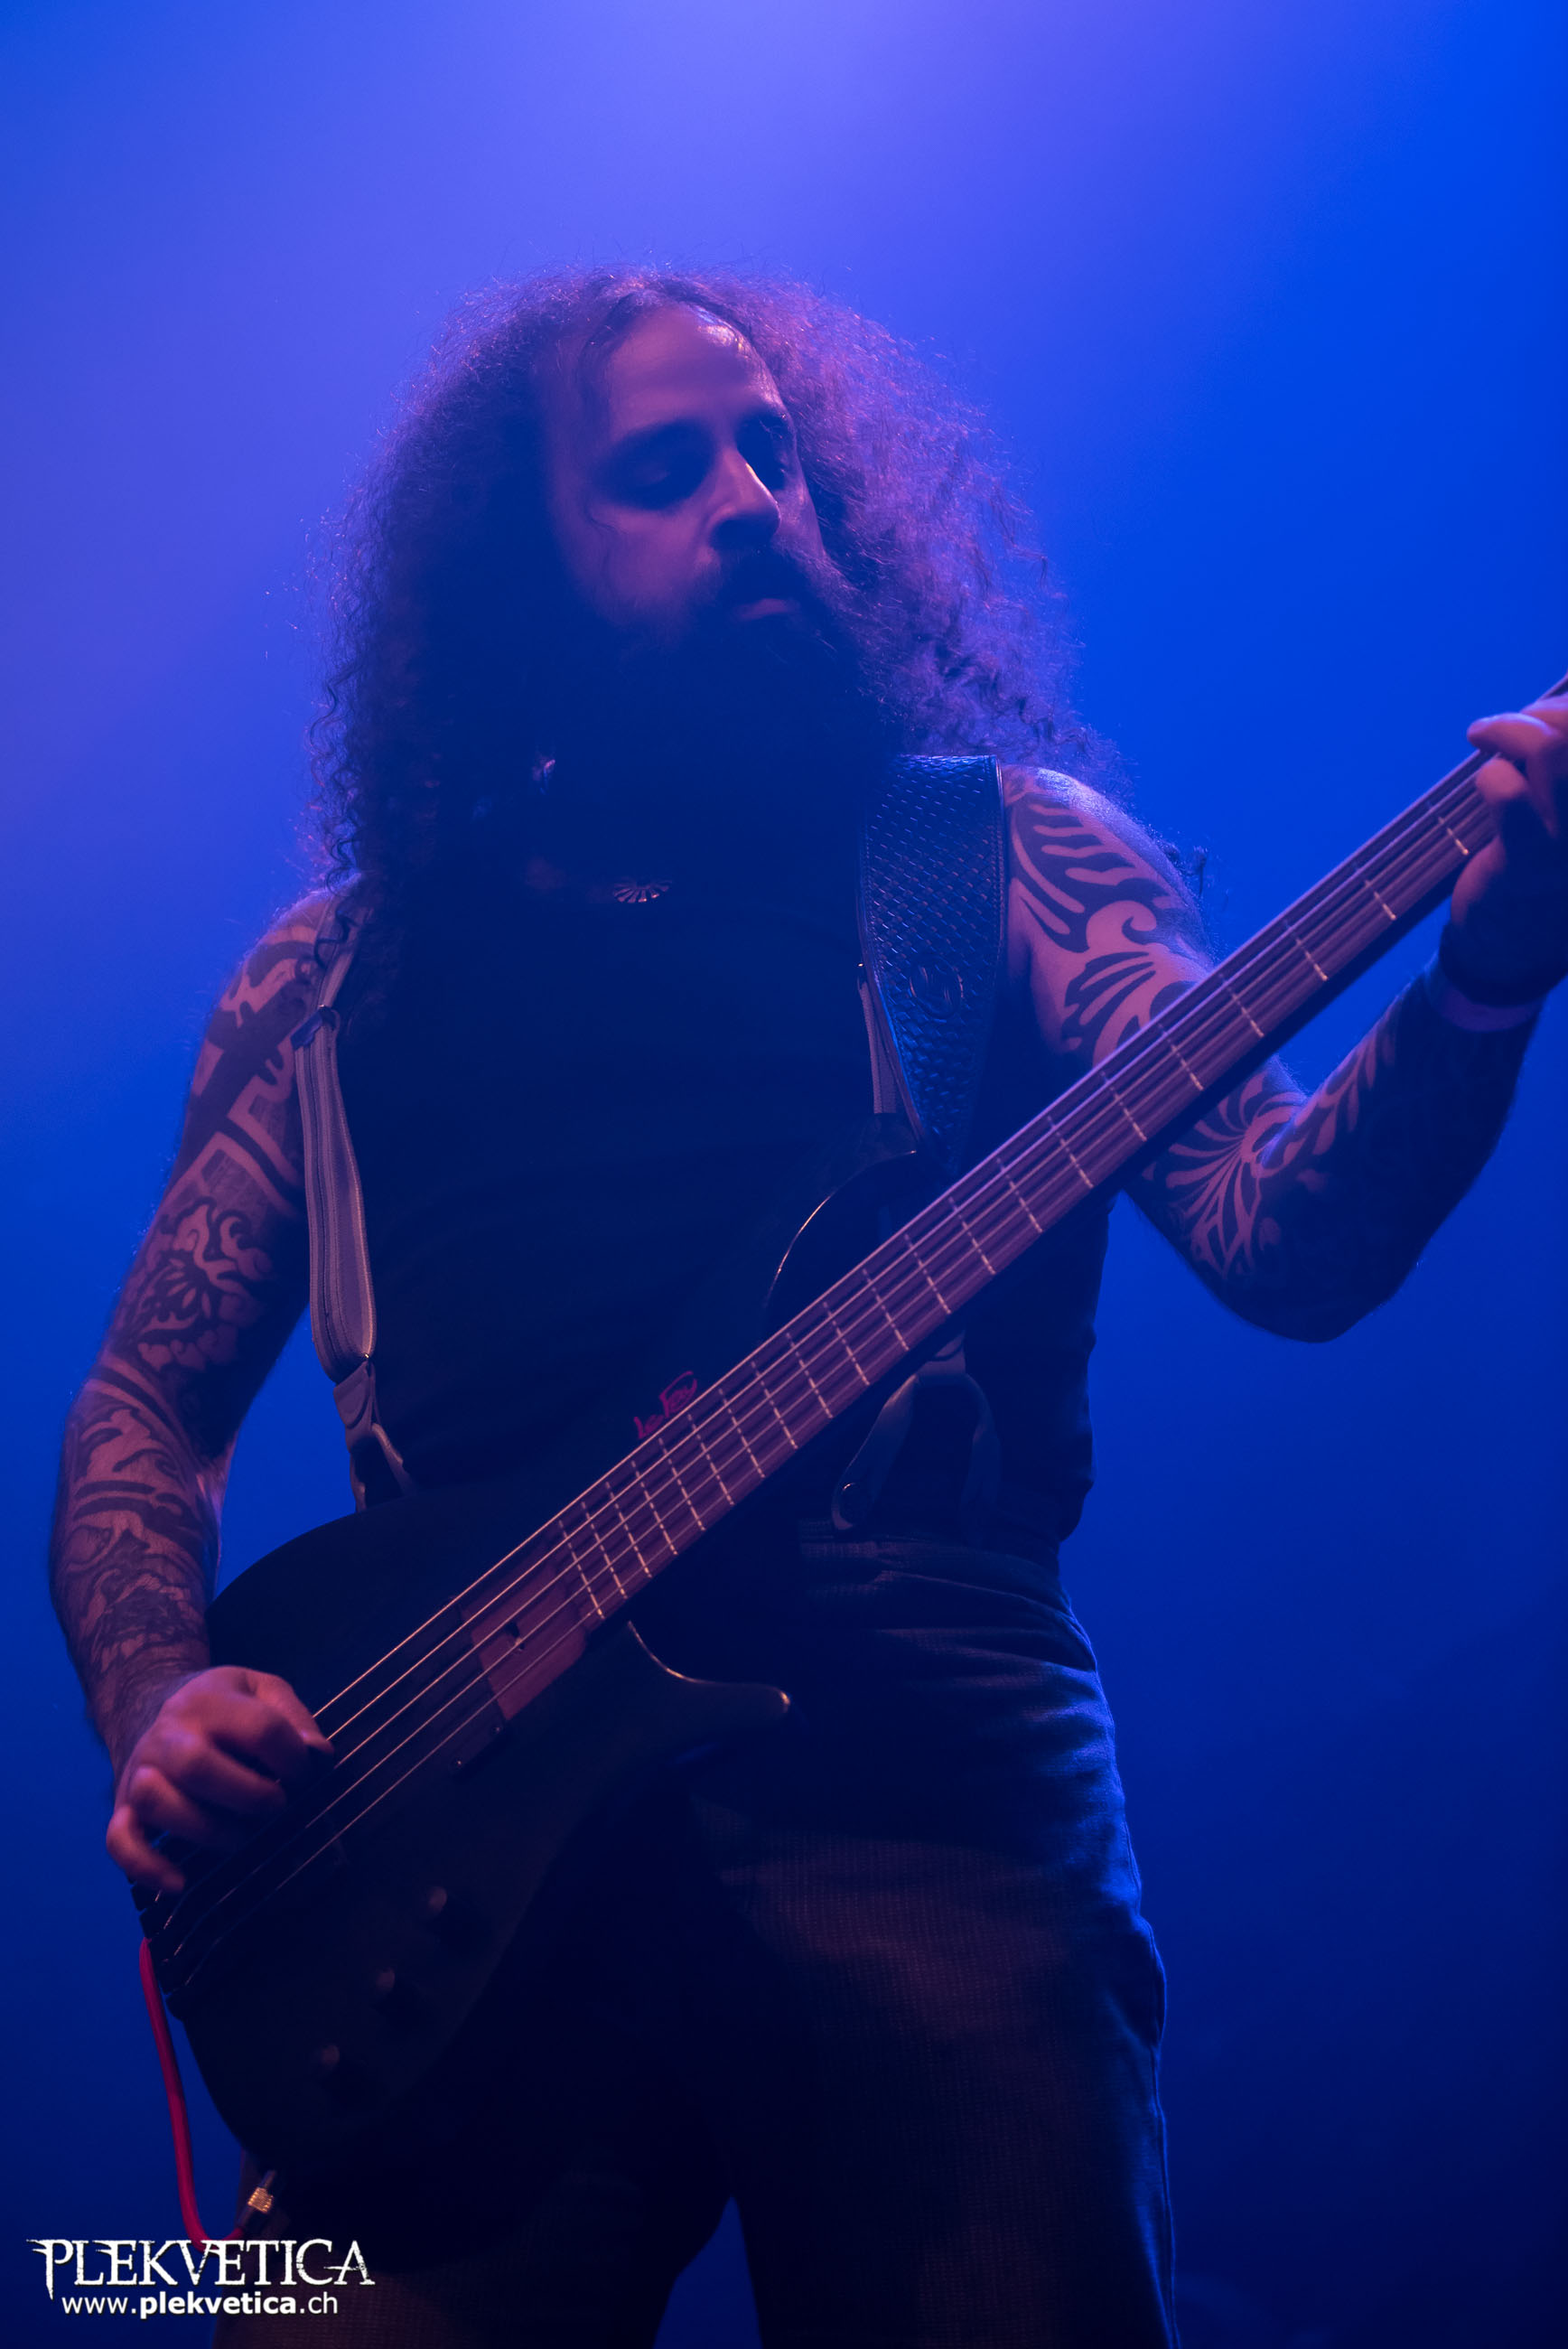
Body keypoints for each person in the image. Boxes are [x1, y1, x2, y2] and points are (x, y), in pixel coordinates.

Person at [50, 270, 1568, 2348]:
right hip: (425, 1854)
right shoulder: (332, 981)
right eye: (663, 471)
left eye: (773, 450)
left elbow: (1281, 1233)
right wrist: (156, 1698)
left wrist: (1487, 973)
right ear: (519, 577)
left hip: (917, 1784)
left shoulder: (999, 863)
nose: (752, 500)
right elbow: (141, 1408)